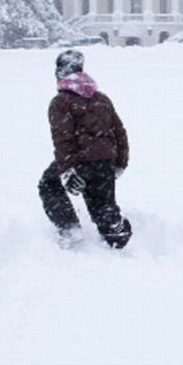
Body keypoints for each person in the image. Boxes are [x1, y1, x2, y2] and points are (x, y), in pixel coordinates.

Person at [38, 49, 132, 249]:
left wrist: (66, 170)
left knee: (48, 184)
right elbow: (119, 132)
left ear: (61, 73)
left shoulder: (60, 102)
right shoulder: (101, 99)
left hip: (80, 161)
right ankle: (116, 233)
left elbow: (63, 139)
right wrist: (120, 163)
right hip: (106, 160)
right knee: (102, 206)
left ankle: (69, 229)